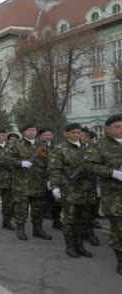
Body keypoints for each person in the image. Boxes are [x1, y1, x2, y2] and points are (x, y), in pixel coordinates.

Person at [49, 123, 95, 258]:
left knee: (83, 219)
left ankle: (80, 246)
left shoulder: (88, 149)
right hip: (69, 190)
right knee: (70, 219)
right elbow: (54, 169)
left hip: (86, 190)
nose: (76, 135)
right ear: (66, 134)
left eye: (79, 132)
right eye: (73, 132)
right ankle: (70, 247)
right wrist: (55, 186)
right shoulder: (59, 149)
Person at [85, 114, 122, 275]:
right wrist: (112, 173)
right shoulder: (100, 146)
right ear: (108, 130)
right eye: (117, 127)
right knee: (118, 230)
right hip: (114, 197)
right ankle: (120, 262)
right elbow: (88, 166)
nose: (121, 130)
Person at [3, 123, 52, 241]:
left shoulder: (43, 145)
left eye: (34, 130)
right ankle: (21, 229)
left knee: (38, 208)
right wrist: (20, 163)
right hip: (22, 184)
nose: (31, 132)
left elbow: (50, 161)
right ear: (24, 132)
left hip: (39, 183)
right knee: (21, 208)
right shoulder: (16, 145)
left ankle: (38, 230)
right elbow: (6, 159)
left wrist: (50, 177)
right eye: (29, 130)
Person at [39, 128, 61, 230]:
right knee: (42, 201)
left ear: (52, 136)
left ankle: (57, 221)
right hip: (40, 178)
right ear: (41, 136)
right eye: (45, 135)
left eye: (49, 135)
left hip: (54, 177)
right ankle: (38, 224)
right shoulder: (37, 147)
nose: (47, 136)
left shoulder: (57, 147)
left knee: (56, 201)